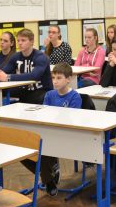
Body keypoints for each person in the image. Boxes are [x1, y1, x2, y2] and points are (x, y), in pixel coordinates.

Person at [35, 63, 82, 196]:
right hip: (50, 132)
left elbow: (72, 119)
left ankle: (49, 175)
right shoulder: (49, 94)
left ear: (68, 79)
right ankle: (50, 176)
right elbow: (45, 114)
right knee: (32, 149)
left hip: (67, 134)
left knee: (43, 149)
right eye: (53, 78)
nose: (55, 81)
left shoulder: (74, 97)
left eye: (59, 78)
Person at [0, 28, 53, 103]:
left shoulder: (41, 57)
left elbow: (34, 76)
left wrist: (8, 77)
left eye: (23, 40)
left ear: (31, 42)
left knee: (30, 98)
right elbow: (4, 71)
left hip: (41, 91)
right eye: (18, 40)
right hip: (24, 90)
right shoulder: (16, 56)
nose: (20, 43)